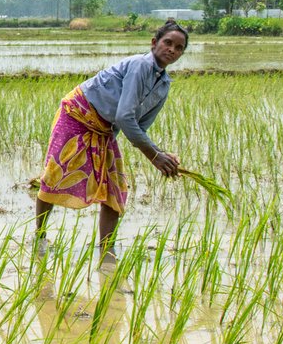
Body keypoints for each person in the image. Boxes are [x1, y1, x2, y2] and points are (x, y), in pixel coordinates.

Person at [34, 20, 188, 264]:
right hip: (78, 113)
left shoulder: (164, 85)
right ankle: (39, 236)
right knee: (56, 174)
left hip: (106, 127)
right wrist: (154, 156)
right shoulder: (139, 66)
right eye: (167, 42)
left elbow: (139, 126)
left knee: (114, 185)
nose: (172, 50)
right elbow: (125, 116)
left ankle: (107, 250)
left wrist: (161, 154)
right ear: (154, 43)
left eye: (179, 48)